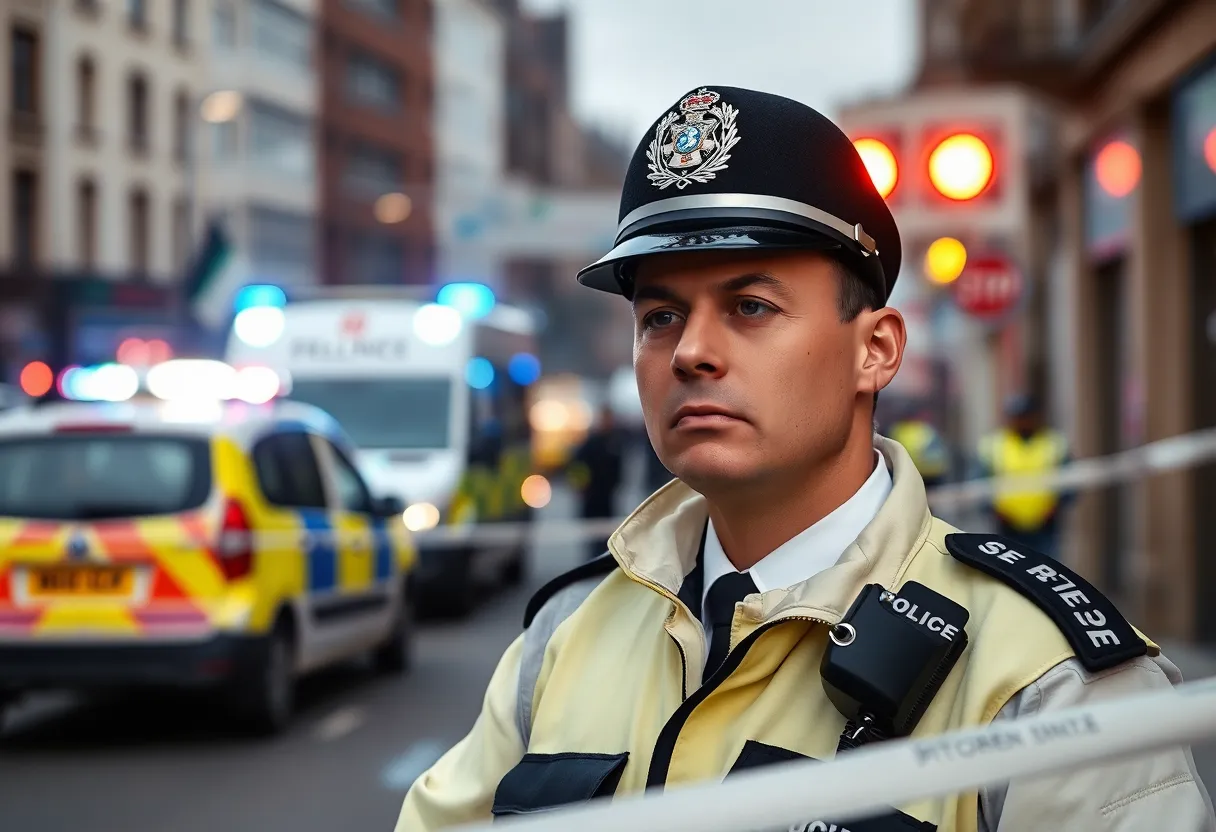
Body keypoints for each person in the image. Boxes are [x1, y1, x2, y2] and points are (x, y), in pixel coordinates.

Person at [396, 87, 1215, 831]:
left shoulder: (1044, 681)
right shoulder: (566, 635)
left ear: (876, 351)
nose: (691, 352)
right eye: (660, 317)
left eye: (751, 306)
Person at [977, 394, 1074, 560]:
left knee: (1047, 572)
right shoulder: (994, 444)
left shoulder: (1054, 443)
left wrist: (1055, 508)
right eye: (1018, 417)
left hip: (1045, 525)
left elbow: (1070, 482)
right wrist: (994, 510)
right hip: (1007, 525)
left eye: (1026, 416)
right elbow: (980, 482)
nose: (1022, 421)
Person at [565, 404, 625, 559]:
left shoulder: (615, 442)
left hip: (607, 500)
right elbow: (577, 466)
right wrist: (582, 487)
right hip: (592, 500)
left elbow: (618, 470)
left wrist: (616, 485)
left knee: (607, 540)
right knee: (592, 541)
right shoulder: (590, 443)